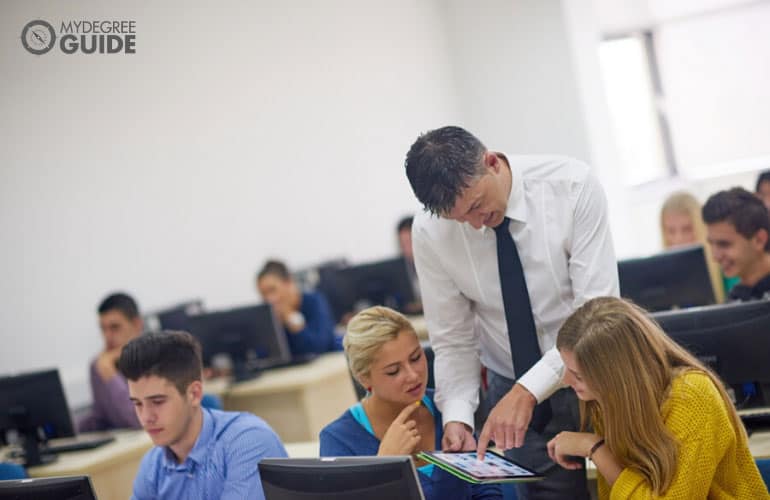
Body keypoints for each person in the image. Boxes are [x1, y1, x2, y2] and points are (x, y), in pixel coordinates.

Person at [404, 125, 618, 499]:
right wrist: (457, 415)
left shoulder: (571, 187)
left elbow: (596, 318)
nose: (474, 223)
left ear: (491, 162)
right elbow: (452, 338)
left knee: (628, 488)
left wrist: (528, 390)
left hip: (595, 375)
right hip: (510, 390)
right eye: (459, 219)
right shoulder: (430, 231)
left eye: (475, 205)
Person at [547, 296, 769, 499]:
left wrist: (594, 448)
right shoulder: (608, 401)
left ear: (616, 376)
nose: (566, 381)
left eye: (577, 374)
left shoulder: (692, 396)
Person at [319, 306, 501, 500]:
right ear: (364, 379)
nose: (413, 375)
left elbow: (485, 489)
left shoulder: (450, 408)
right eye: (393, 371)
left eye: (416, 358)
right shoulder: (339, 440)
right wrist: (384, 468)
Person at [119, 331, 287, 500]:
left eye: (158, 402)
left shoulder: (248, 441)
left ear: (194, 393)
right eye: (137, 403)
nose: (146, 417)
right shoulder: (152, 464)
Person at [78, 292, 143, 432]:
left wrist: (110, 375)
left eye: (115, 327)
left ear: (137, 325)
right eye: (103, 329)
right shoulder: (98, 365)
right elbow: (100, 418)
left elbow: (140, 420)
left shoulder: (157, 359)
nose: (107, 336)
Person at [659, 191, 732, 301]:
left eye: (687, 229)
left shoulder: (726, 269)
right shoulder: (662, 280)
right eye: (671, 231)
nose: (678, 239)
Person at [256, 260, 337, 356]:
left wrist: (290, 319)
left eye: (272, 290)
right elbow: (263, 354)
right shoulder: (268, 315)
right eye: (263, 294)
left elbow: (319, 346)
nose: (269, 299)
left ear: (289, 282)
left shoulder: (314, 301)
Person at [703, 187, 770, 301]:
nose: (715, 257)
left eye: (724, 244)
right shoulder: (735, 299)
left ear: (759, 240)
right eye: (711, 244)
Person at [397, 215, 423, 314]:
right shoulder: (398, 270)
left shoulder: (438, 262)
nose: (407, 250)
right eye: (403, 245)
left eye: (410, 243)